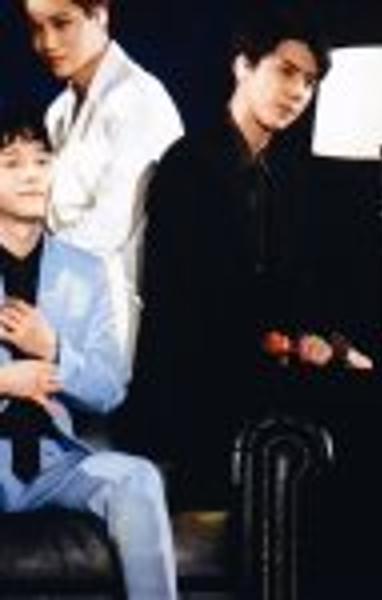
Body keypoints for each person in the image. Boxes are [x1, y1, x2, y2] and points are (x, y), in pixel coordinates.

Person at [129, 8, 371, 503]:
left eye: (309, 81)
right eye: (286, 71)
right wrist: (283, 342)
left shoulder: (283, 177)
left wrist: (325, 342)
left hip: (253, 375)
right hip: (194, 388)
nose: (298, 92)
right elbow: (188, 305)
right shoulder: (188, 166)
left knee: (371, 400)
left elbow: (294, 289)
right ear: (243, 66)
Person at [0, 105, 178, 600]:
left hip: (58, 461)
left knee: (138, 479)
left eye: (42, 160)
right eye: (11, 163)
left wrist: (54, 348)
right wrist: (6, 381)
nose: (31, 175)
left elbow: (109, 387)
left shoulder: (87, 270)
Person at [17, 0, 184, 361]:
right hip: (58, 314)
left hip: (115, 328)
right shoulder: (59, 110)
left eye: (62, 23)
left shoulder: (139, 101)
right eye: (36, 28)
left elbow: (107, 231)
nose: (47, 43)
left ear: (100, 14)